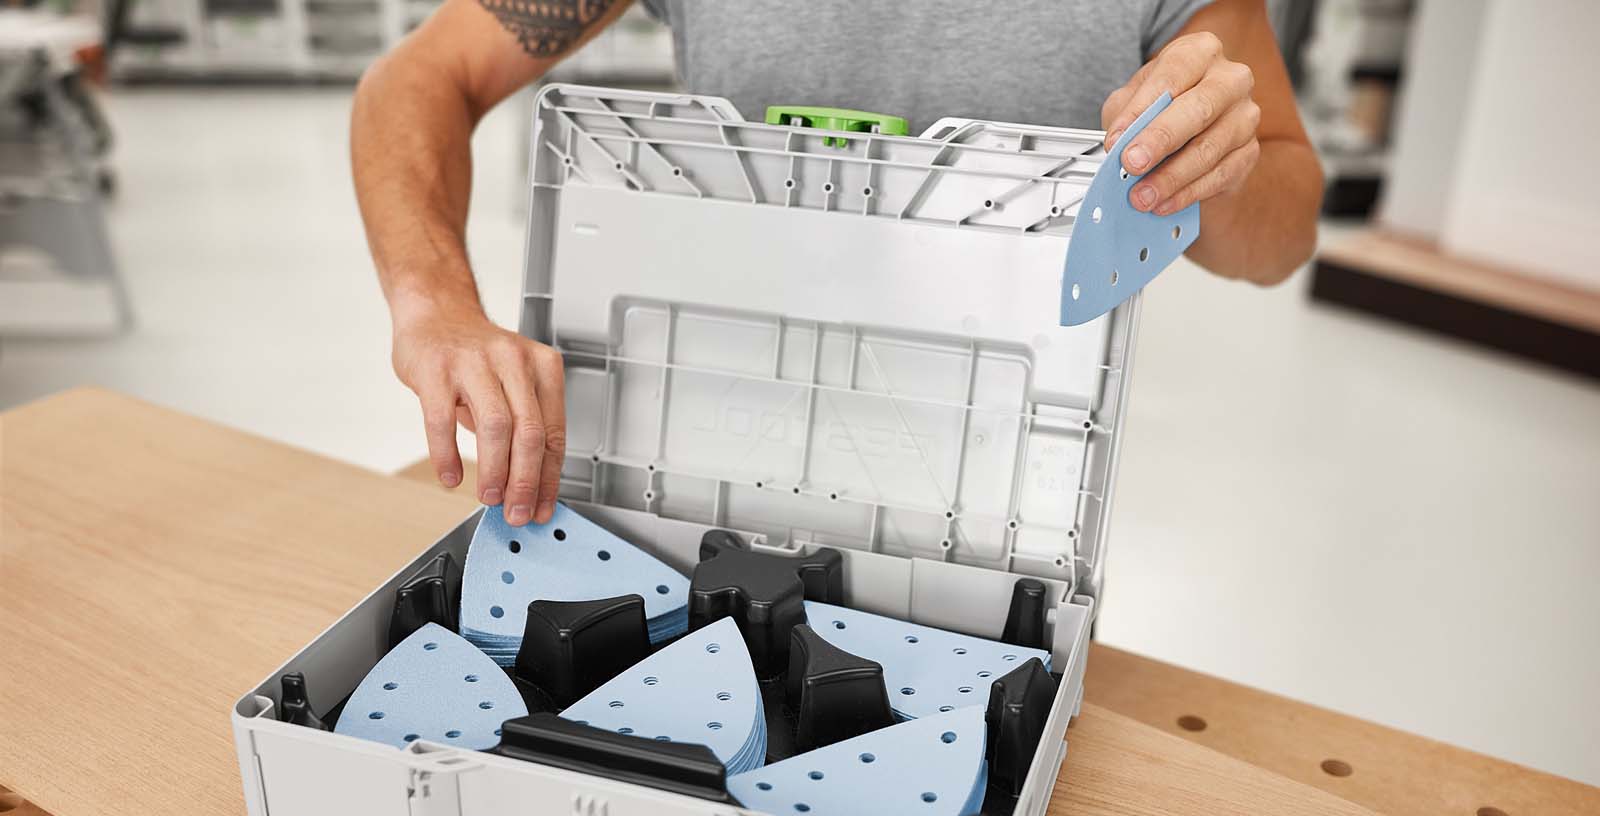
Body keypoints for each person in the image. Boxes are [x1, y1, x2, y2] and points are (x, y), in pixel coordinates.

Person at [352, 0, 1321, 527]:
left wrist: (1217, 162)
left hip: (990, 512)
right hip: (693, 468)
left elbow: (1282, 236)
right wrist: (433, 302)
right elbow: (424, 74)